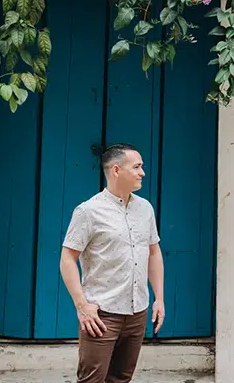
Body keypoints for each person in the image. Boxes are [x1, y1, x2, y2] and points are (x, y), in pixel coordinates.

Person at [60, 143, 166, 383]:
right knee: (92, 380)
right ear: (116, 170)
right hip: (102, 314)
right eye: (137, 167)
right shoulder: (88, 211)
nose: (143, 173)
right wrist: (82, 305)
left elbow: (153, 253)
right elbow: (68, 258)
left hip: (138, 311)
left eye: (142, 167)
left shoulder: (145, 209)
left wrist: (159, 298)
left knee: (121, 378)